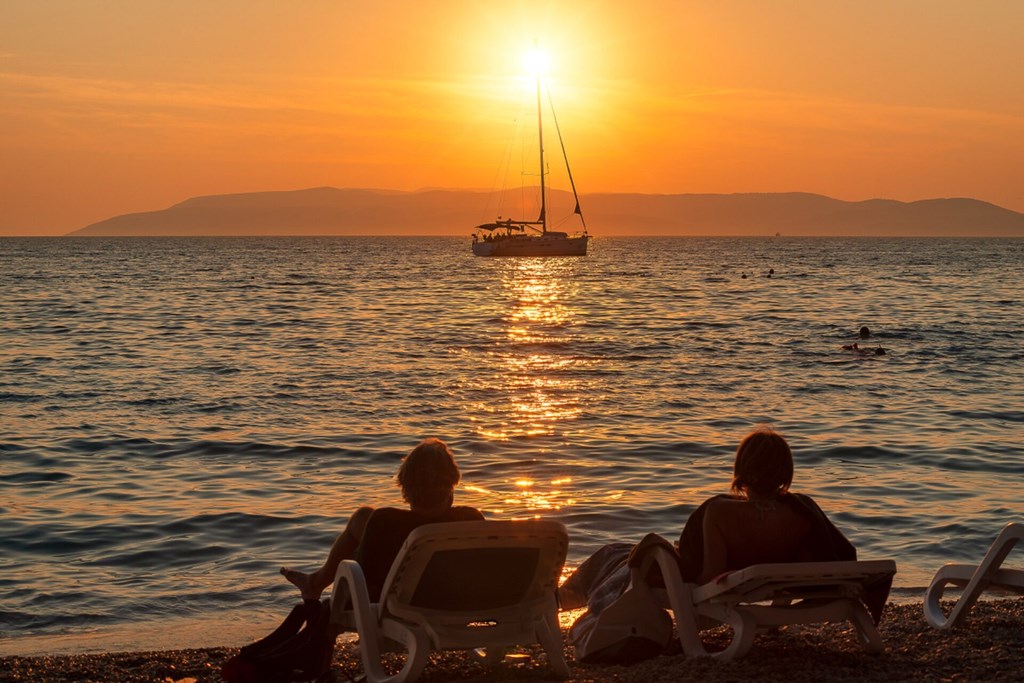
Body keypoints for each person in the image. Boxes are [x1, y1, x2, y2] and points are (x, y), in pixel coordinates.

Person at [560, 426, 889, 624]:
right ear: (785, 473)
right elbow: (818, 556)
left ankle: (556, 603)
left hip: (727, 585)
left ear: (742, 470)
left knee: (616, 554)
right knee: (620, 553)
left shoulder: (720, 511)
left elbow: (706, 581)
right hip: (766, 580)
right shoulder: (802, 513)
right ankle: (558, 601)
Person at [280, 437, 484, 602]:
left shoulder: (386, 523)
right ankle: (315, 582)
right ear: (452, 485)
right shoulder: (471, 520)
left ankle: (315, 583)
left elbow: (368, 579)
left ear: (405, 487)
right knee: (364, 518)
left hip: (399, 602)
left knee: (362, 520)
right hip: (458, 601)